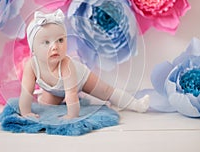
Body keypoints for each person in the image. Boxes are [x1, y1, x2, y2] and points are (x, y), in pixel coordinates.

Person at [19, 9, 149, 119]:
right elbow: (26, 92)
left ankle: (136, 104)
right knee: (47, 107)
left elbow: (71, 94)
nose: (55, 47)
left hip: (81, 79)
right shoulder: (31, 67)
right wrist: (26, 113)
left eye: (60, 40)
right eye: (46, 42)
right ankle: (47, 97)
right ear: (33, 49)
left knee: (106, 91)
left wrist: (71, 116)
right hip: (56, 90)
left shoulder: (66, 65)